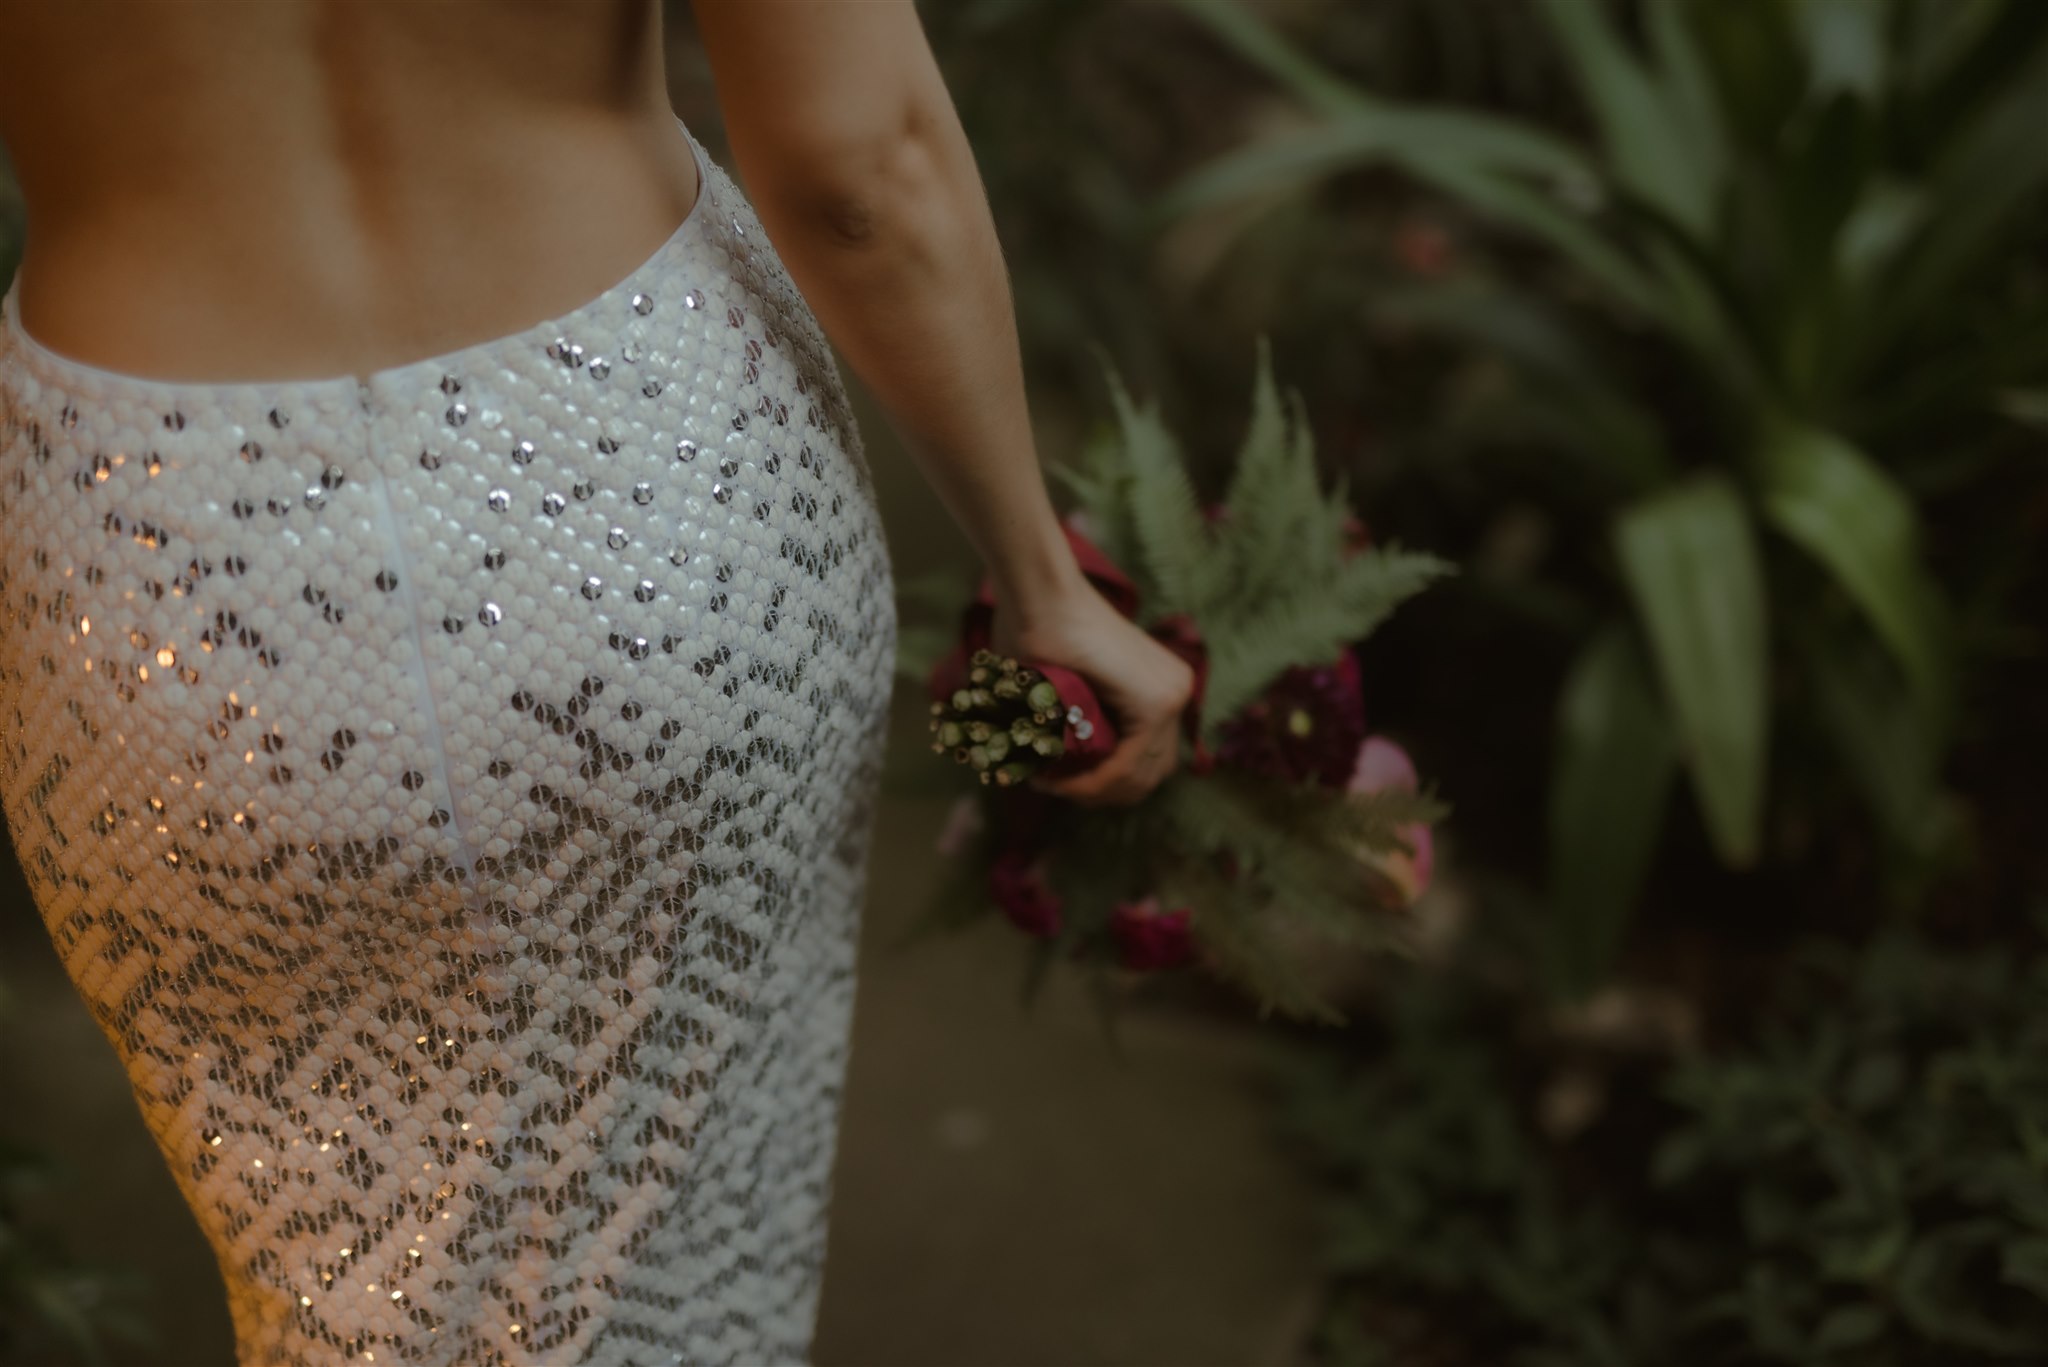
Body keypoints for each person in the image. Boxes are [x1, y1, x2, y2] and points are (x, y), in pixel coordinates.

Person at [0, 2, 1194, 1365]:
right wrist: (1041, 580)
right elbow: (863, 161)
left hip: (160, 573)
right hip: (648, 508)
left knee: (341, 1277)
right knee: (670, 1245)